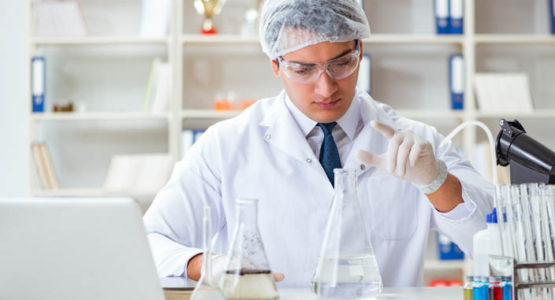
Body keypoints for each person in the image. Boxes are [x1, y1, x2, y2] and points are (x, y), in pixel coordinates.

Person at [143, 0, 493, 288]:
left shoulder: (418, 145)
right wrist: (207, 264)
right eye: (303, 70)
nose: (326, 88)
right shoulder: (225, 146)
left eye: (341, 64)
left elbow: (499, 248)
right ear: (276, 66)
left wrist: (436, 183)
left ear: (359, 50)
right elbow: (149, 241)